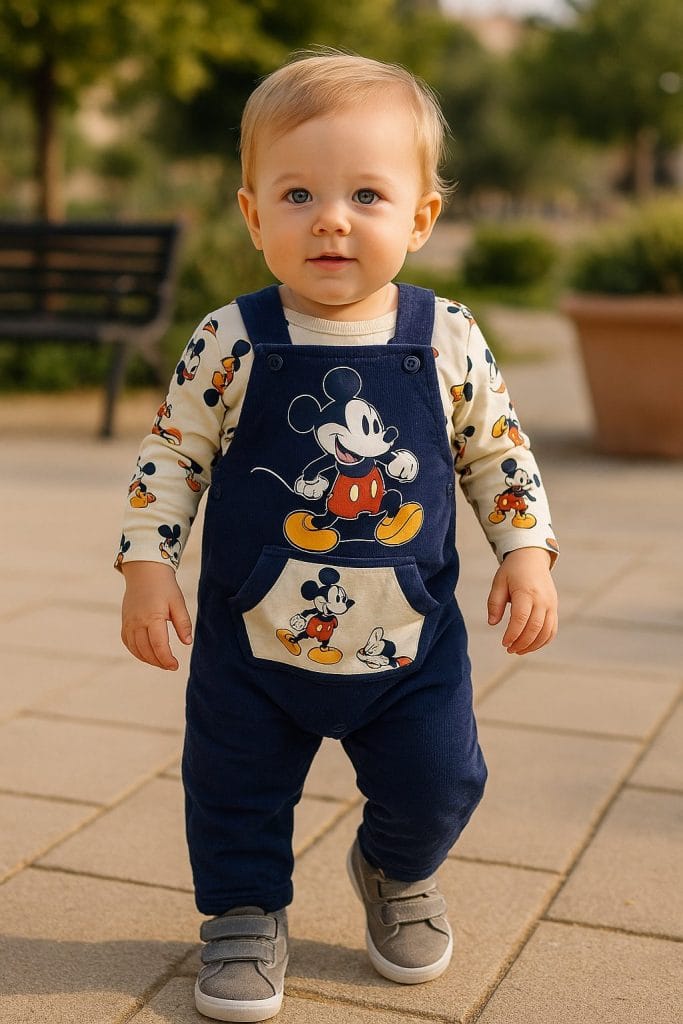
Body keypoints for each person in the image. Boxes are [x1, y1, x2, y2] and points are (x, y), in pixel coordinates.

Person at [117, 51, 559, 1023]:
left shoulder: (443, 336)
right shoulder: (230, 339)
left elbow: (496, 451)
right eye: (298, 194)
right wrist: (148, 567)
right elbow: (170, 458)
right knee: (232, 787)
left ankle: (395, 869)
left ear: (419, 218)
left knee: (439, 778)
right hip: (251, 638)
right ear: (252, 215)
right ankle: (242, 911)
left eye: (365, 194)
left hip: (409, 639)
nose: (330, 218)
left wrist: (524, 550)